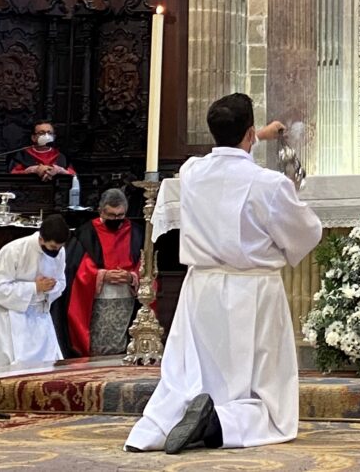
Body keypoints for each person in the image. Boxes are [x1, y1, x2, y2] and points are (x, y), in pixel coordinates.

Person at [125, 93, 322, 454]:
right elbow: (306, 232)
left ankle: (160, 424)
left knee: (193, 370)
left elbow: (226, 155)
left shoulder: (191, 172)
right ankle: (222, 421)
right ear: (250, 133)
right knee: (263, 385)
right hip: (253, 288)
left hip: (201, 286)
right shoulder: (269, 183)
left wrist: (251, 136)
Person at [58, 188, 144, 357]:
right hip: (97, 294)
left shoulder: (135, 231)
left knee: (120, 337)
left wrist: (131, 276)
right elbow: (79, 266)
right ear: (101, 211)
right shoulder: (86, 232)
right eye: (111, 215)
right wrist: (102, 275)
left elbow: (144, 263)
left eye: (120, 215)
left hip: (126, 293)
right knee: (98, 339)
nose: (116, 219)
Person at [0, 214, 69, 368]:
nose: (56, 252)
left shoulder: (60, 252)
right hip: (10, 315)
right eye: (53, 248)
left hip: (39, 314)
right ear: (41, 239)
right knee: (13, 366)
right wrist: (34, 288)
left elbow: (61, 282)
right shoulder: (14, 250)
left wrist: (52, 287)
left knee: (46, 365)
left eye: (59, 247)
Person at [9, 120, 76, 180]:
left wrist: (60, 170)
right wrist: (33, 170)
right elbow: (13, 174)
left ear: (54, 137)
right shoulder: (22, 155)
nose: (46, 136)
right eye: (41, 133)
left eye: (49, 133)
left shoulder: (61, 156)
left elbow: (73, 175)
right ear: (33, 137)